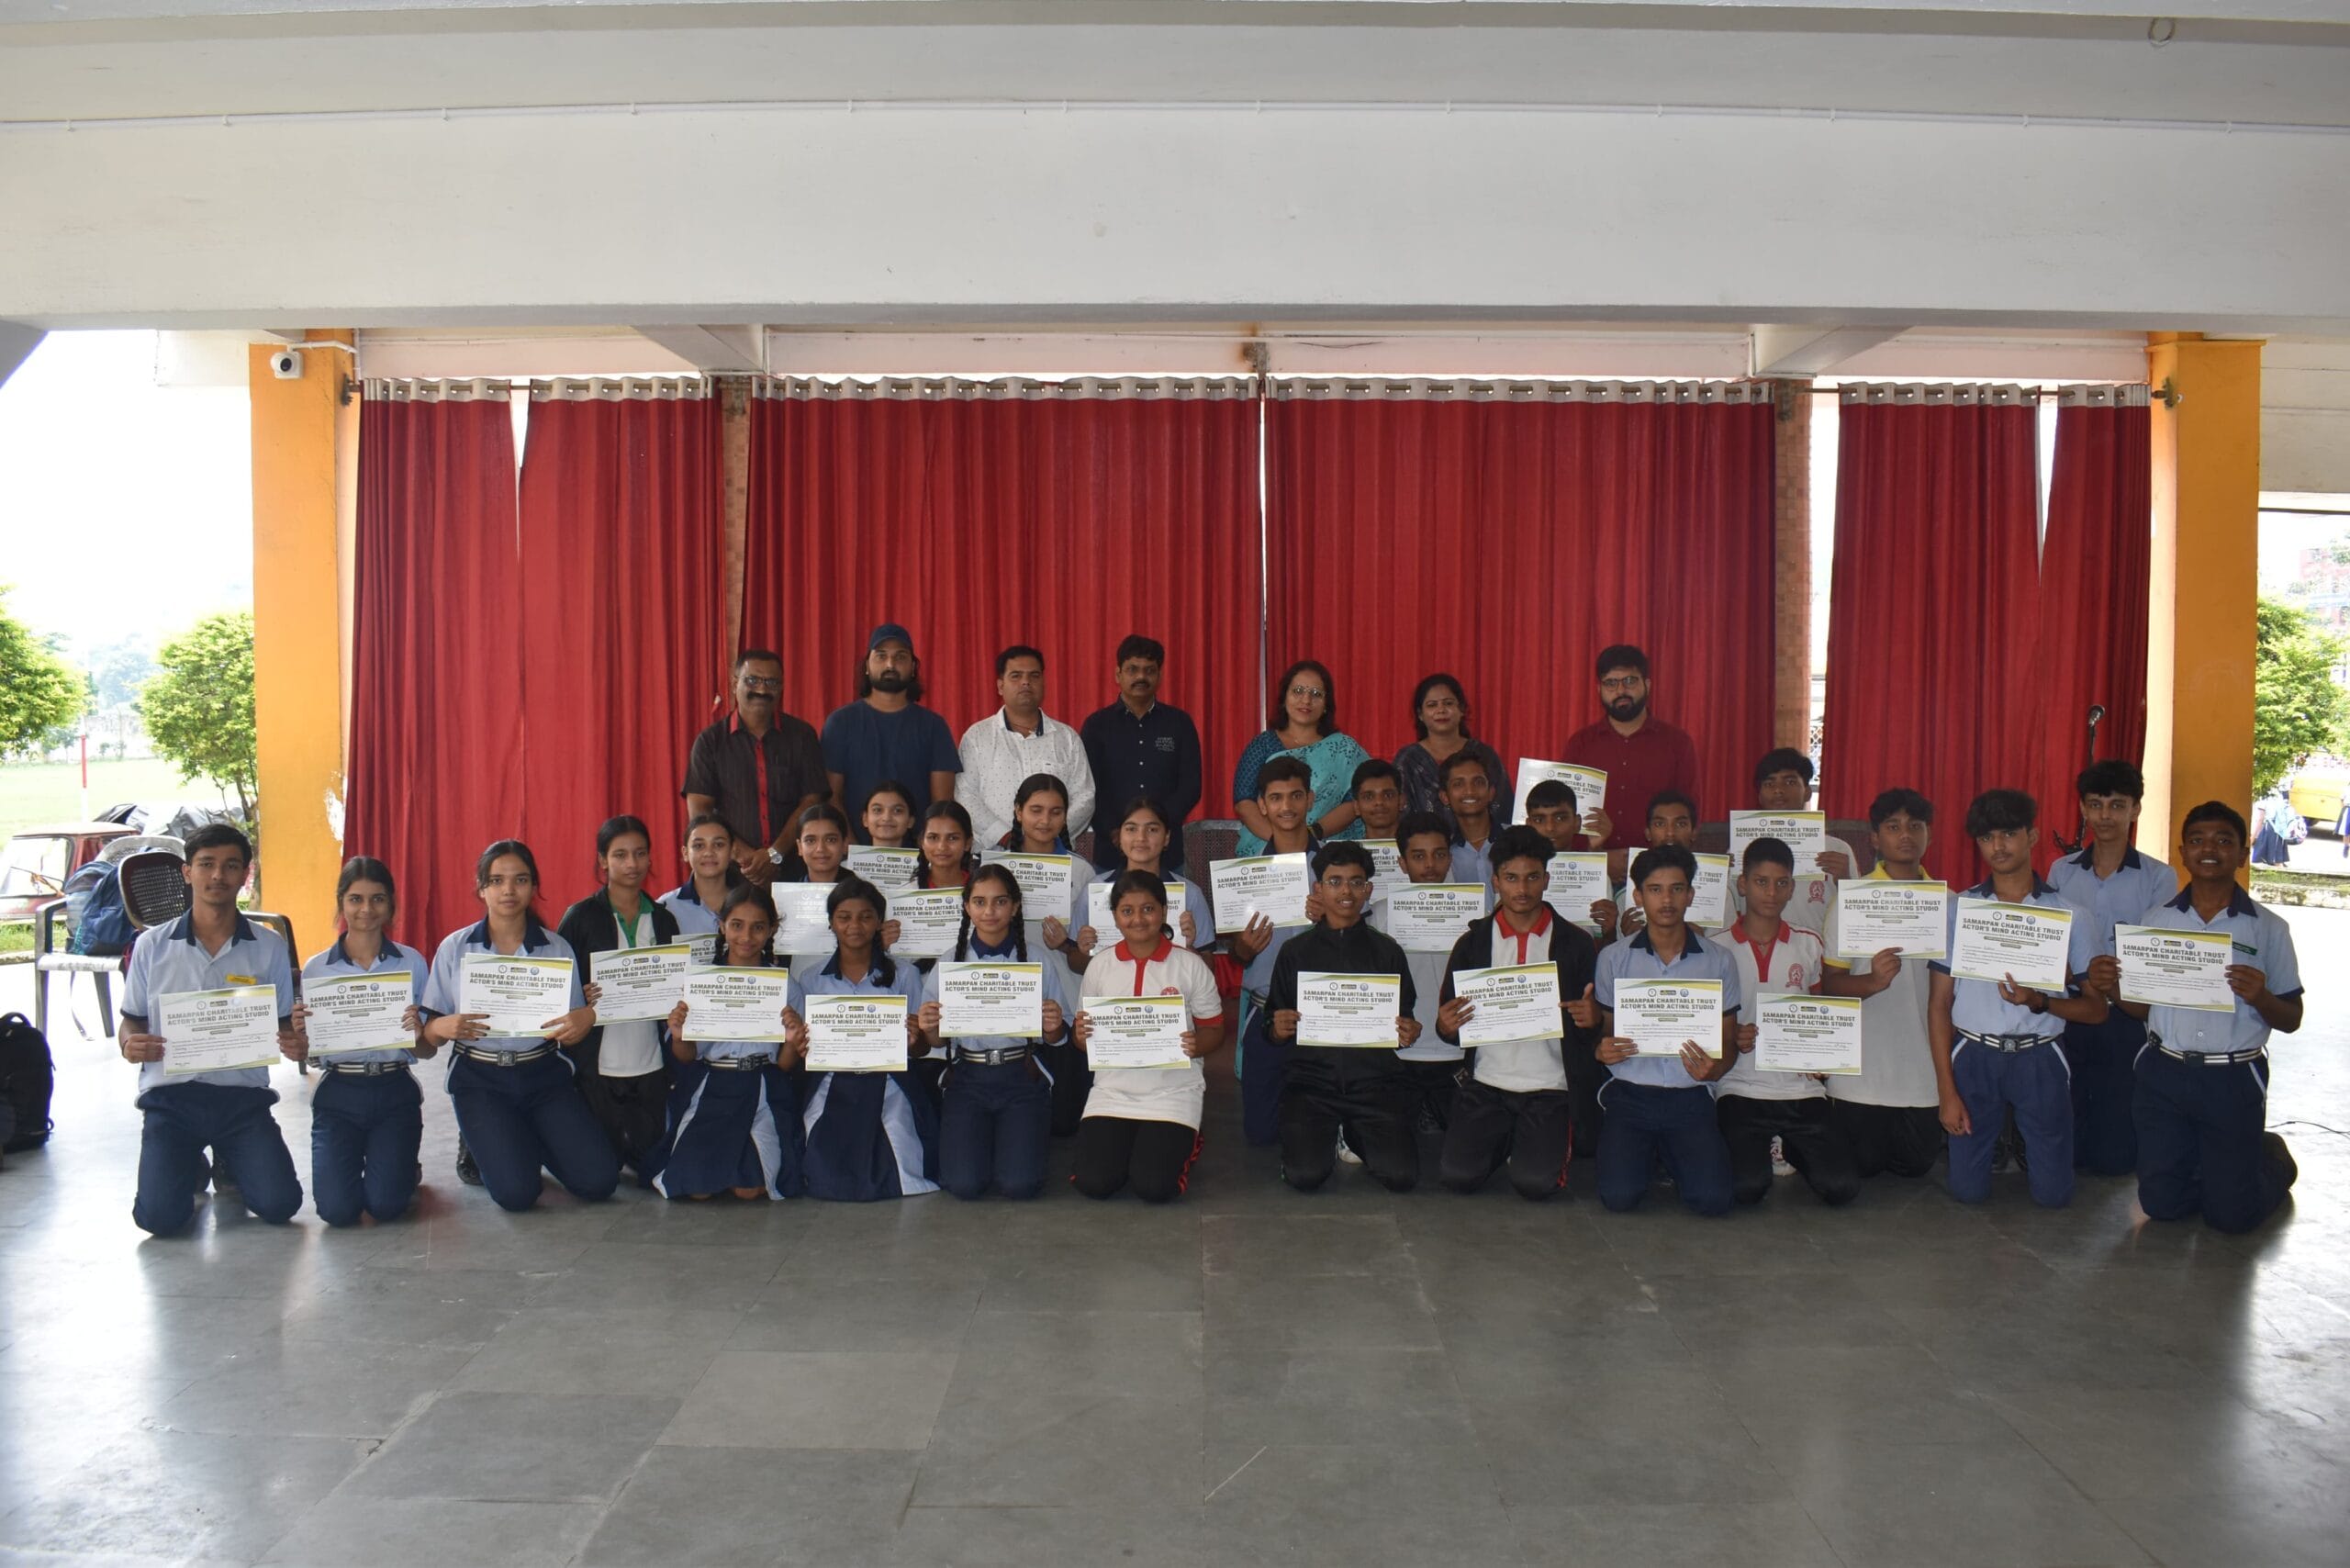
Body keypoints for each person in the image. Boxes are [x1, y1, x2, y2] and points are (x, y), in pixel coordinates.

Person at [2117, 801, 2303, 1234]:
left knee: (2231, 1218)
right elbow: (2141, 1009)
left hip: (2232, 1078)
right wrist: (2114, 989)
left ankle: (2271, 1158)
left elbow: (2292, 1018)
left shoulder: (2269, 928)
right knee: (2161, 1205)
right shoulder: (2156, 921)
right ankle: (2218, 1167)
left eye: (2223, 840)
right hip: (2164, 1073)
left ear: (2242, 854)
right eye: (2198, 840)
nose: (2209, 849)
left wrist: (2261, 997)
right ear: (2183, 852)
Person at [117, 823, 304, 1235]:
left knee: (281, 1204)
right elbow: (131, 1018)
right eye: (206, 864)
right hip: (171, 1100)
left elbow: (282, 1022)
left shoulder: (270, 946)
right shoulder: (151, 946)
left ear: (244, 875)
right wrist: (130, 1042)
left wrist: (295, 1041)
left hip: (242, 1098)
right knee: (159, 1220)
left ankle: (230, 1157)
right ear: (188, 873)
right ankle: (193, 1162)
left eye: (231, 866)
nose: (218, 875)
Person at [1928, 790, 2108, 1208]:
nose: (1998, 846)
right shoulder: (1959, 910)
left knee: (2054, 1196)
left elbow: (2097, 1010)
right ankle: (1994, 1145)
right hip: (1974, 1055)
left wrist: (2040, 1002)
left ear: (2032, 836)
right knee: (1967, 1192)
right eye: (1987, 837)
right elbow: (1938, 1004)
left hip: (2040, 1057)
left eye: (2009, 833)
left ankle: (2027, 1148)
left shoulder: (2070, 915)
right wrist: (1947, 1091)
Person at [420, 840, 616, 1213]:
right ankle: (484, 1142)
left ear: (533, 886)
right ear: (481, 888)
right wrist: (440, 1026)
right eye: (497, 880)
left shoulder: (557, 948)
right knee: (517, 1195)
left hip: (544, 1074)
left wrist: (585, 1019)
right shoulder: (455, 948)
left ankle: (527, 1138)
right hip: (480, 1078)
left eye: (520, 880)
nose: (508, 890)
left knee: (599, 1181)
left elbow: (573, 1028)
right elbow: (428, 1040)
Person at [1435, 826, 1600, 1199]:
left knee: (1535, 1184)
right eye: (1511, 878)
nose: (1522, 889)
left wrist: (1593, 1020)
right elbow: (1449, 1024)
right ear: (1495, 881)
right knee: (1458, 1177)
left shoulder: (1576, 943)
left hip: (1550, 1086)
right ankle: (1509, 1139)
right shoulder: (1473, 943)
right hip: (1486, 1083)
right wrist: (1445, 1026)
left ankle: (1528, 1142)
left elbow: (1594, 1025)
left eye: (1532, 877)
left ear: (1546, 879)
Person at [1591, 844, 1749, 1215]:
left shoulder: (1719, 960)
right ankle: (1655, 1154)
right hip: (1630, 1093)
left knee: (1713, 1201)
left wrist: (1717, 1068)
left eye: (1677, 889)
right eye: (1655, 889)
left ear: (1690, 895)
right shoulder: (1612, 958)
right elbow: (1607, 1033)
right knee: (1618, 1197)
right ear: (1638, 896)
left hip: (1690, 1095)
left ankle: (1667, 1153)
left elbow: (1728, 1041)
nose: (1666, 900)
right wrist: (1602, 1049)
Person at [1264, 841, 1424, 1193]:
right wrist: (1277, 1028)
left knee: (1402, 1177)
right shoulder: (1295, 952)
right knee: (1305, 1176)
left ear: (1368, 890)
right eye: (1335, 882)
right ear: (1318, 888)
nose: (1346, 891)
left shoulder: (1387, 951)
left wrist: (1408, 1031)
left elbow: (1404, 1017)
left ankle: (1352, 1132)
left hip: (1374, 1083)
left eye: (1356, 882)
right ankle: (1321, 1134)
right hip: (1312, 1084)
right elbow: (1271, 1023)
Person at [1709, 837, 1858, 1207]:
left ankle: (1789, 1145)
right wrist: (1730, 1036)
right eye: (1761, 882)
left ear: (1792, 888)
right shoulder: (1716, 948)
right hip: (1739, 1086)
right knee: (1746, 1188)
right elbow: (1703, 1023)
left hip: (1800, 1087)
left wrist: (1824, 1056)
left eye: (1781, 883)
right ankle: (1761, 1145)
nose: (1771, 893)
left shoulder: (1810, 944)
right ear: (1742, 885)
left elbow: (1823, 1014)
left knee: (1841, 1187)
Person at [2047, 759, 2175, 1177]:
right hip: (2070, 1006)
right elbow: (2050, 938)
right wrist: (2069, 973)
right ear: (2083, 809)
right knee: (2067, 1132)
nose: (2105, 816)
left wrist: (2113, 981)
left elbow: (2156, 952)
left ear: (2135, 809)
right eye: (2096, 805)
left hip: (2126, 1012)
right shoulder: (2061, 871)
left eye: (2117, 805)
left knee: (2115, 1159)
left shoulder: (2159, 877)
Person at [916, 864, 1072, 1201]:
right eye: (979, 902)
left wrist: (1053, 1025)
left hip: (1021, 1076)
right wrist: (930, 1027)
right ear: (967, 907)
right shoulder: (949, 962)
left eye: (1000, 902)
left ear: (1015, 907)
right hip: (967, 1077)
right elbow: (936, 1042)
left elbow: (1057, 1038)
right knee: (964, 1185)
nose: (989, 911)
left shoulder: (1037, 960)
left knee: (1020, 1185)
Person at [1071, 870, 1228, 1201]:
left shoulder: (1190, 965)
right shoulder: (1100, 965)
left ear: (1164, 911)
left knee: (1154, 1186)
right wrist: (1082, 1037)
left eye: (1148, 909)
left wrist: (1197, 1044)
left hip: (1173, 1091)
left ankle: (1188, 1133)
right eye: (1127, 911)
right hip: (1112, 1091)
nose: (1138, 919)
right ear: (1115, 916)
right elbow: (1081, 1038)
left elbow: (1215, 1029)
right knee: (1095, 1182)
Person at [1817, 790, 1948, 1181]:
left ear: (1929, 835)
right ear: (1875, 838)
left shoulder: (1949, 903)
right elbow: (1830, 985)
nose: (1905, 835)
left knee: (1915, 1165)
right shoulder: (1851, 901)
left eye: (1915, 826)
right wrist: (1872, 982)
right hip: (1861, 1073)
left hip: (1922, 1069)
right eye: (1893, 827)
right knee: (1863, 1165)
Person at [296, 857, 432, 1227]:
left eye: (378, 899)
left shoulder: (412, 962)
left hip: (394, 1089)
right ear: (341, 902)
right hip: (339, 1092)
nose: (366, 909)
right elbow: (311, 1055)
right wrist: (303, 1037)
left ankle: (403, 1166)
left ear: (391, 904)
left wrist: (418, 1035)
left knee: (387, 1207)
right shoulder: (317, 968)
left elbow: (427, 1050)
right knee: (336, 1212)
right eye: (356, 899)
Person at [555, 815, 683, 1188]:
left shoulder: (664, 919)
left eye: (640, 854)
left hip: (650, 1063)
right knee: (601, 1169)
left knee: (651, 1167)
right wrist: (579, 998)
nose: (632, 864)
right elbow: (560, 986)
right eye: (620, 855)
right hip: (597, 1067)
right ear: (602, 860)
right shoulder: (580, 917)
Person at [656, 883, 805, 1201]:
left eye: (758, 927)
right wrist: (680, 1035)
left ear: (771, 930)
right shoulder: (700, 981)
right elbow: (686, 1056)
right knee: (695, 1190)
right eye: (737, 925)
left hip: (761, 1086)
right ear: (722, 926)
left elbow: (783, 1065)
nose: (746, 937)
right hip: (711, 1085)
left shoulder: (786, 986)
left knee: (749, 1190)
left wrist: (793, 1041)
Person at [790, 878, 936, 1199]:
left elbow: (922, 1048)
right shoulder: (811, 978)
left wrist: (916, 1039)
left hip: (891, 1081)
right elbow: (806, 1046)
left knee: (899, 1167)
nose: (855, 926)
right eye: (844, 917)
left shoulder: (905, 974)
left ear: (879, 922)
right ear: (831, 922)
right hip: (831, 1082)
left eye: (866, 917)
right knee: (823, 1176)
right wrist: (802, 1046)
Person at [1230, 756, 1324, 1146]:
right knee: (1261, 1135)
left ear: (1310, 800)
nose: (1287, 806)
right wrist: (1243, 948)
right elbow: (1237, 955)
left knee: (1316, 1127)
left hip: (1323, 1010)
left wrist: (1332, 921)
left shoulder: (1334, 868)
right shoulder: (1244, 873)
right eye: (1276, 798)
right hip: (1265, 1009)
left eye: (1296, 796)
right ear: (1263, 805)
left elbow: (1359, 942)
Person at [682, 648, 830, 885]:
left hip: (794, 871)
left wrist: (774, 855)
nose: (761, 690)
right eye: (752, 680)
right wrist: (748, 859)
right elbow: (700, 811)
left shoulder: (802, 736)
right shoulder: (710, 742)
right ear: (735, 684)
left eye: (771, 682)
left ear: (782, 687)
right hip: (731, 874)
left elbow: (812, 801)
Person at [1522, 779, 1612, 1152]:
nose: (1550, 827)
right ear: (1528, 823)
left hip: (1579, 987)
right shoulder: (1520, 874)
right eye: (1540, 819)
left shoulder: (1596, 872)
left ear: (1577, 823)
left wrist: (1610, 928)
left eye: (1560, 818)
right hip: (1530, 993)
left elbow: (1608, 950)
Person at [1080, 634, 1204, 873]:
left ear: (1159, 675)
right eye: (1132, 670)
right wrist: (1116, 832)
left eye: (1149, 670)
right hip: (1110, 852)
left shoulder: (1179, 723)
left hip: (1167, 854)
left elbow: (1190, 786)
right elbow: (1088, 788)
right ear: (1118, 674)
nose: (1141, 677)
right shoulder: (1097, 725)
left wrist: (1157, 829)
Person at [1564, 644, 1699, 863]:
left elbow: (1688, 815)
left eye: (1630, 681)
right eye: (1611, 683)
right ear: (1599, 689)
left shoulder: (1677, 744)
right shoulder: (1580, 744)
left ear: (1647, 685)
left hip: (1658, 868)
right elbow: (1565, 814)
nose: (1621, 691)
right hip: (1590, 866)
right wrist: (1598, 858)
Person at [959, 644, 1098, 850]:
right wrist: (1007, 837)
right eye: (1016, 676)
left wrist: (1045, 835)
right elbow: (965, 795)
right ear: (1000, 686)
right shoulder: (977, 737)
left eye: (1034, 676)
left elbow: (1084, 797)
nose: (1026, 682)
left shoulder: (1067, 738)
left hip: (1053, 856)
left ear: (1043, 683)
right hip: (992, 855)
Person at [822, 623, 960, 822]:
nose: (890, 665)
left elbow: (942, 804)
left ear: (913, 668)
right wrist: (849, 840)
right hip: (851, 841)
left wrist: (925, 841)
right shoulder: (840, 724)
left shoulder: (934, 727)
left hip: (919, 841)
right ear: (867, 666)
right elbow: (831, 797)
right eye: (881, 656)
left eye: (900, 657)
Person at [1232, 658, 1370, 856]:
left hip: (1328, 851)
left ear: (1326, 704)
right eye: (1298, 691)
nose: (1306, 700)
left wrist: (1311, 835)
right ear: (1284, 698)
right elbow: (1244, 801)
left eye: (1316, 694)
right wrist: (1282, 843)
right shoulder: (1263, 745)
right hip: (1265, 847)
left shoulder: (1345, 749)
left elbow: (1355, 801)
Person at [1385, 810, 1468, 1134]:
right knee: (1390, 1154)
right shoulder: (1377, 917)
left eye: (1439, 855)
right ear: (1403, 863)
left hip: (1458, 1050)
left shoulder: (1477, 916)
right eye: (1419, 857)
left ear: (1450, 858)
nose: (1430, 865)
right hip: (1397, 1052)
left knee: (1471, 1151)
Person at [1074, 795, 1206, 959]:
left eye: (1152, 830)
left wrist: (1189, 947)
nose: (1141, 838)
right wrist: (1083, 951)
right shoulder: (1093, 891)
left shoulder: (1191, 894)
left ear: (1166, 837)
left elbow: (1209, 965)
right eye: (1131, 829)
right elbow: (1075, 962)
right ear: (1119, 837)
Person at [1748, 746, 1850, 936]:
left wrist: (1845, 881)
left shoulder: (1837, 849)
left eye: (1790, 782)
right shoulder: (1742, 848)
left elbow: (1855, 916)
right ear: (1759, 796)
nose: (1779, 790)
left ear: (1807, 792)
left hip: (1820, 950)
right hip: (1758, 947)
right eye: (1769, 783)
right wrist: (1727, 874)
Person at [1394, 674, 1513, 831]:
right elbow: (1399, 814)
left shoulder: (1483, 754)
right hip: (1424, 843)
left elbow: (1502, 805)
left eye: (1448, 703)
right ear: (1420, 714)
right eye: (1432, 705)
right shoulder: (1408, 760)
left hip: (1484, 842)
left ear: (1461, 709)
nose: (1441, 710)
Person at [1616, 790, 1702, 940]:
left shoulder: (1720, 894)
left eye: (1680, 824)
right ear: (1648, 833)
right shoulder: (1625, 898)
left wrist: (1705, 942)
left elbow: (1726, 946)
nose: (1670, 833)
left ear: (1694, 832)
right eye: (1660, 824)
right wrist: (1630, 939)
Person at [660, 812, 745, 960]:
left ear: (732, 851)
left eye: (718, 845)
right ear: (685, 853)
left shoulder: (750, 904)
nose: (708, 853)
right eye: (699, 846)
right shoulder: (665, 907)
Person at [1442, 750, 1502, 887]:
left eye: (1478, 782)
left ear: (1491, 792)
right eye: (1458, 784)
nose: (1469, 791)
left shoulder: (1517, 841)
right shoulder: (1442, 852)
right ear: (1445, 797)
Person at [915, 800, 976, 892]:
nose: (942, 847)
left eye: (952, 838)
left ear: (968, 843)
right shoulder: (908, 891)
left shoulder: (981, 890)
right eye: (933, 837)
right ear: (922, 842)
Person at [858, 779, 917, 850]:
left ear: (910, 821)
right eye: (878, 810)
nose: (886, 818)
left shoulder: (926, 857)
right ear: (865, 819)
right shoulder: (850, 858)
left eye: (897, 811)